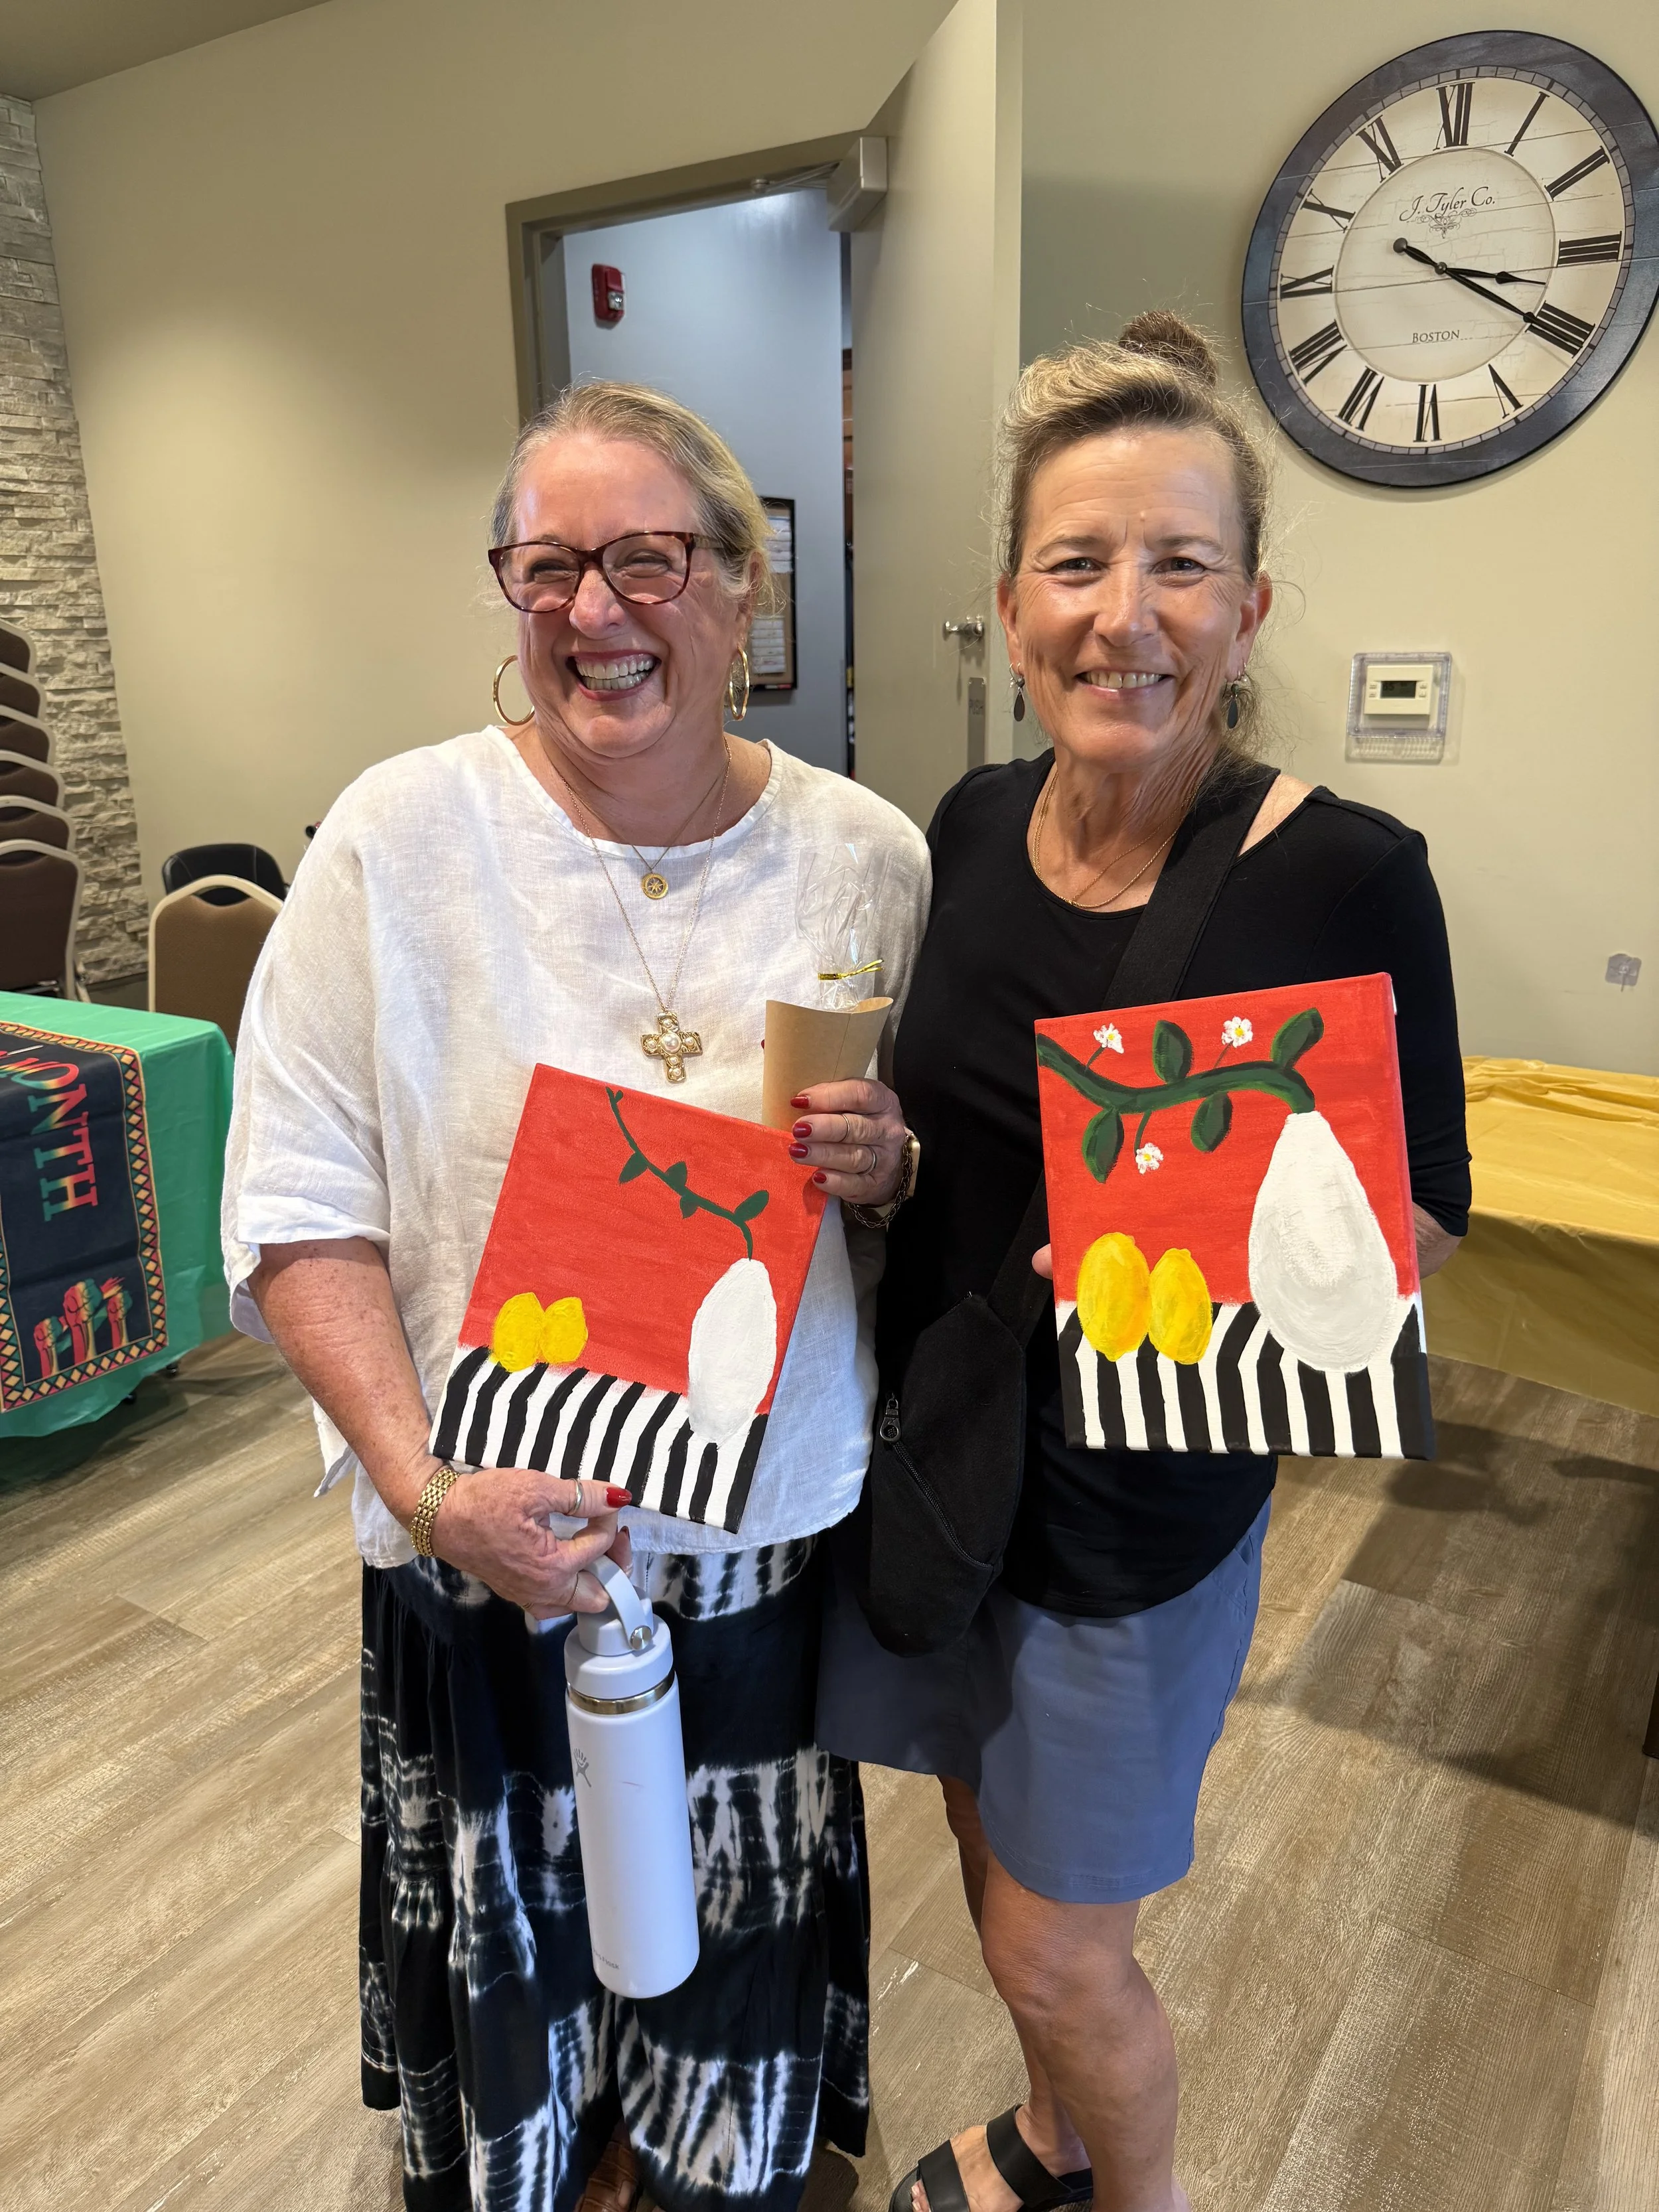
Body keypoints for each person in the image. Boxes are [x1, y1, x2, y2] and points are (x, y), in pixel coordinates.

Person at [222, 380, 929, 2212]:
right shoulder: (394, 840)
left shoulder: (868, 855)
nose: (593, 609)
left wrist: (891, 1163)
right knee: (524, 1935)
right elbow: (297, 1202)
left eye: (645, 559)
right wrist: (427, 1485)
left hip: (753, 1532)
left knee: (729, 1939)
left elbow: (914, 1198)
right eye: (545, 567)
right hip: (487, 1530)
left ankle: (716, 2161)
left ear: (741, 589)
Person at [817, 313, 1471, 2212]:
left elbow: (1411, 1219)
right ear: (1010, 604)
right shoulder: (959, 826)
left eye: (1178, 562)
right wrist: (884, 1154)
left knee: (1054, 1946)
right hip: (939, 1461)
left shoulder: (1343, 874)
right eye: (1078, 563)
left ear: (1250, 604)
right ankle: (1042, 2139)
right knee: (979, 1834)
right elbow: (958, 1128)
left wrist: (1183, 1234)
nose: (1128, 613)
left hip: (1131, 1505)